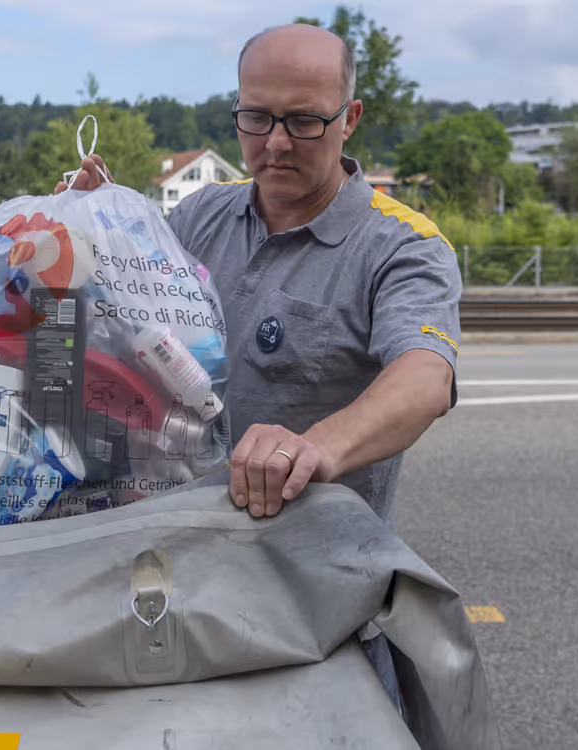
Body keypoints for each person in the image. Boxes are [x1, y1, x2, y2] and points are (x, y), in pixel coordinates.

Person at [58, 23, 461, 526]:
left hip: (312, 568)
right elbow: (127, 321)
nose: (275, 143)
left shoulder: (403, 244)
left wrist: (314, 449)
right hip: (175, 543)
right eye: (256, 117)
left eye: (303, 121)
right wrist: (89, 237)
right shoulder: (199, 213)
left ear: (349, 118)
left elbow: (425, 380)